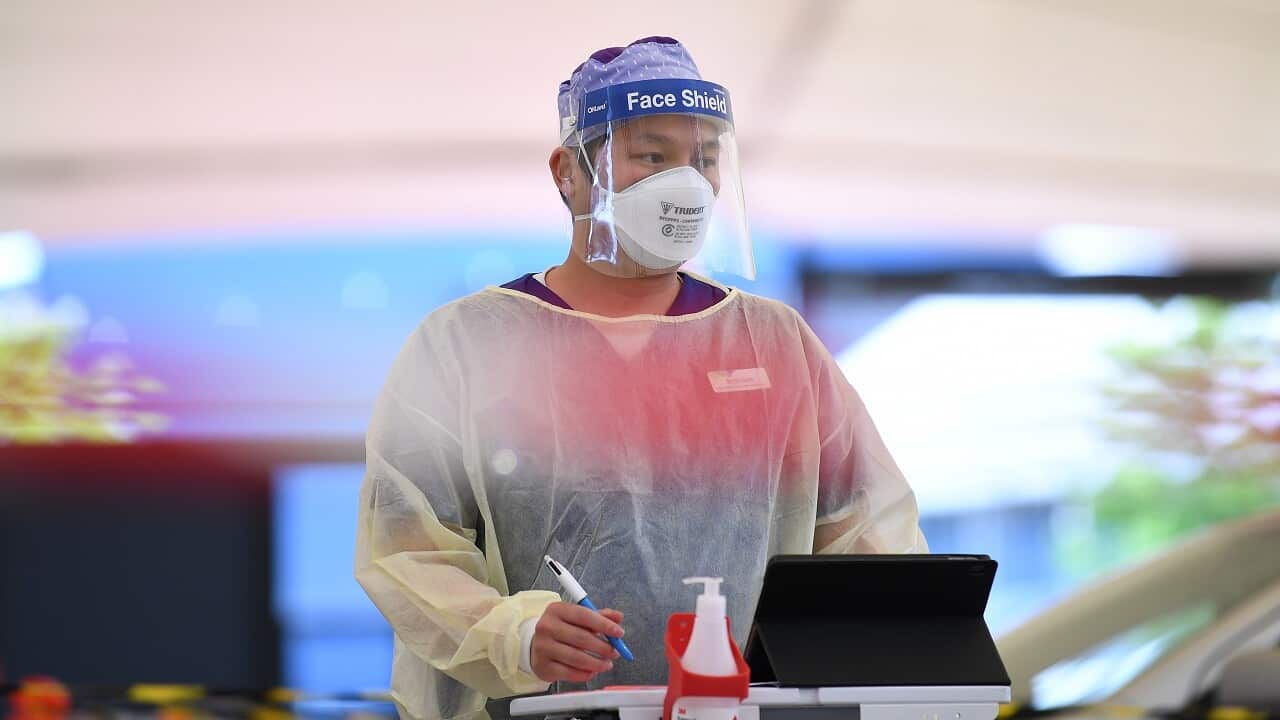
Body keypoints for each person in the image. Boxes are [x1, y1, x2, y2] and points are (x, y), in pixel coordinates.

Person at [355, 36, 928, 720]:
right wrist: (512, 633)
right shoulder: (465, 346)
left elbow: (871, 539)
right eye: (653, 156)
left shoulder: (774, 345)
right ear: (569, 171)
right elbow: (407, 551)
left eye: (705, 159)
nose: (685, 182)